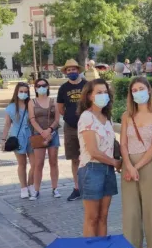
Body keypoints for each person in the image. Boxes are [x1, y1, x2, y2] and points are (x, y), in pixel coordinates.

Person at [120, 77, 152, 248]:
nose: (138, 92)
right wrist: (129, 166)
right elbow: (123, 143)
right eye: (134, 90)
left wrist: (136, 167)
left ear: (148, 90)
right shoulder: (126, 116)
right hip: (128, 166)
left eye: (141, 88)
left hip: (147, 166)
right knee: (131, 212)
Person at [77, 79, 120, 237]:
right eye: (99, 92)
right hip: (92, 169)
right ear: (89, 96)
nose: (103, 95)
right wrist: (115, 162)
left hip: (107, 170)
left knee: (103, 217)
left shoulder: (106, 117)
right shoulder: (87, 117)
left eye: (105, 92)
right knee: (92, 217)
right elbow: (93, 151)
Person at [57, 59, 87, 201]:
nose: (71, 72)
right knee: (74, 158)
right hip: (70, 127)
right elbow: (60, 108)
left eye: (73, 69)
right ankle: (77, 188)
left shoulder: (86, 85)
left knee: (88, 156)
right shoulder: (63, 88)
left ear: (78, 70)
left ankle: (88, 186)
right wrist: (70, 116)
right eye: (68, 70)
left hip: (87, 126)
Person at [29, 77, 61, 199]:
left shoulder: (54, 101)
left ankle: (55, 188)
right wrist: (42, 131)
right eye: (39, 86)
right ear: (35, 88)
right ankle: (36, 190)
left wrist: (49, 130)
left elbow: (57, 119)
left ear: (47, 87)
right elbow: (32, 119)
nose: (41, 87)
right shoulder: (32, 102)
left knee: (53, 161)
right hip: (38, 135)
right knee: (38, 163)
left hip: (53, 134)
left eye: (44, 85)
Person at [2, 82, 33, 199]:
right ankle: (23, 187)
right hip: (17, 136)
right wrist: (3, 139)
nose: (23, 94)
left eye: (26, 92)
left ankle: (31, 185)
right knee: (22, 164)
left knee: (35, 164)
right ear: (16, 92)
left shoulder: (31, 104)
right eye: (21, 91)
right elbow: (6, 125)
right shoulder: (11, 108)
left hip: (31, 135)